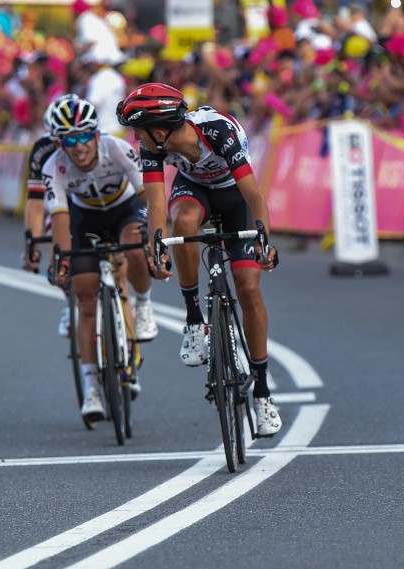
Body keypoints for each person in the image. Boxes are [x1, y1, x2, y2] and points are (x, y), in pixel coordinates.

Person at [115, 82, 282, 437]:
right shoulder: (153, 148)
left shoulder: (218, 133)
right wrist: (155, 248)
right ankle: (194, 320)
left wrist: (264, 241)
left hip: (236, 198)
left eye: (138, 132)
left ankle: (263, 392)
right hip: (195, 192)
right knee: (184, 221)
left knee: (249, 288)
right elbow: (157, 205)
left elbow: (254, 196)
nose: (136, 139)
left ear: (159, 132)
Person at [43, 95, 157, 421]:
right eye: (69, 140)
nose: (78, 146)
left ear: (96, 135)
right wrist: (64, 259)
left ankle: (145, 305)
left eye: (84, 137)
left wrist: (153, 232)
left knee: (135, 248)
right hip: (85, 219)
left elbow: (146, 193)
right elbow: (61, 218)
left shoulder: (117, 148)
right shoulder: (55, 167)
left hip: (124, 210)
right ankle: (91, 386)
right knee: (85, 295)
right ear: (59, 142)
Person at [22, 94, 72, 337]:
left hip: (97, 199)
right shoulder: (43, 150)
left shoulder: (99, 145)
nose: (65, 145)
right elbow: (36, 201)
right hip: (62, 201)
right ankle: (72, 303)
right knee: (57, 253)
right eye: (57, 138)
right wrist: (33, 245)